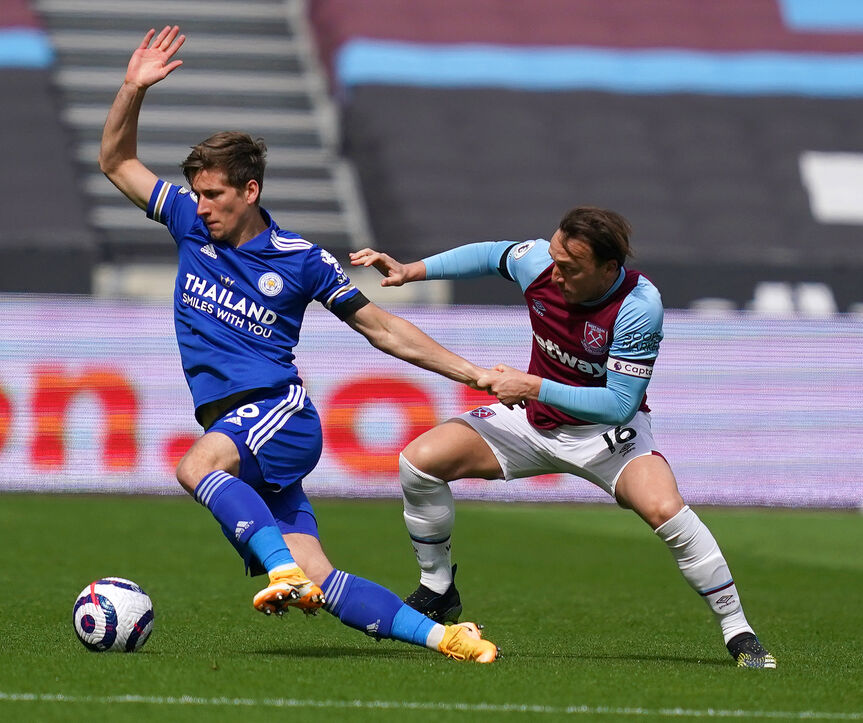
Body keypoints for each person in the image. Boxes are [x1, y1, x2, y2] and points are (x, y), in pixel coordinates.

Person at [97, 25, 499, 663]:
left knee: (195, 467)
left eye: (214, 195)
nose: (200, 207)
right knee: (322, 577)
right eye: (196, 194)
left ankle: (281, 572)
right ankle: (447, 638)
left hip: (275, 412)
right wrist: (130, 89)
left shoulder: (302, 260)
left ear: (250, 191)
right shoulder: (187, 225)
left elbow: (381, 326)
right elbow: (116, 161)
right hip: (241, 424)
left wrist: (470, 371)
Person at [350, 207, 776, 669]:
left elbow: (619, 405)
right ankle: (437, 589)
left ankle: (739, 631)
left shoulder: (637, 305)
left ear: (608, 269)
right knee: (419, 460)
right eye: (554, 259)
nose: (554, 274)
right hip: (531, 422)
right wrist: (413, 270)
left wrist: (531, 385)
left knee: (666, 511)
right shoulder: (539, 264)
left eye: (570, 268)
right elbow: (493, 255)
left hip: (607, 436)